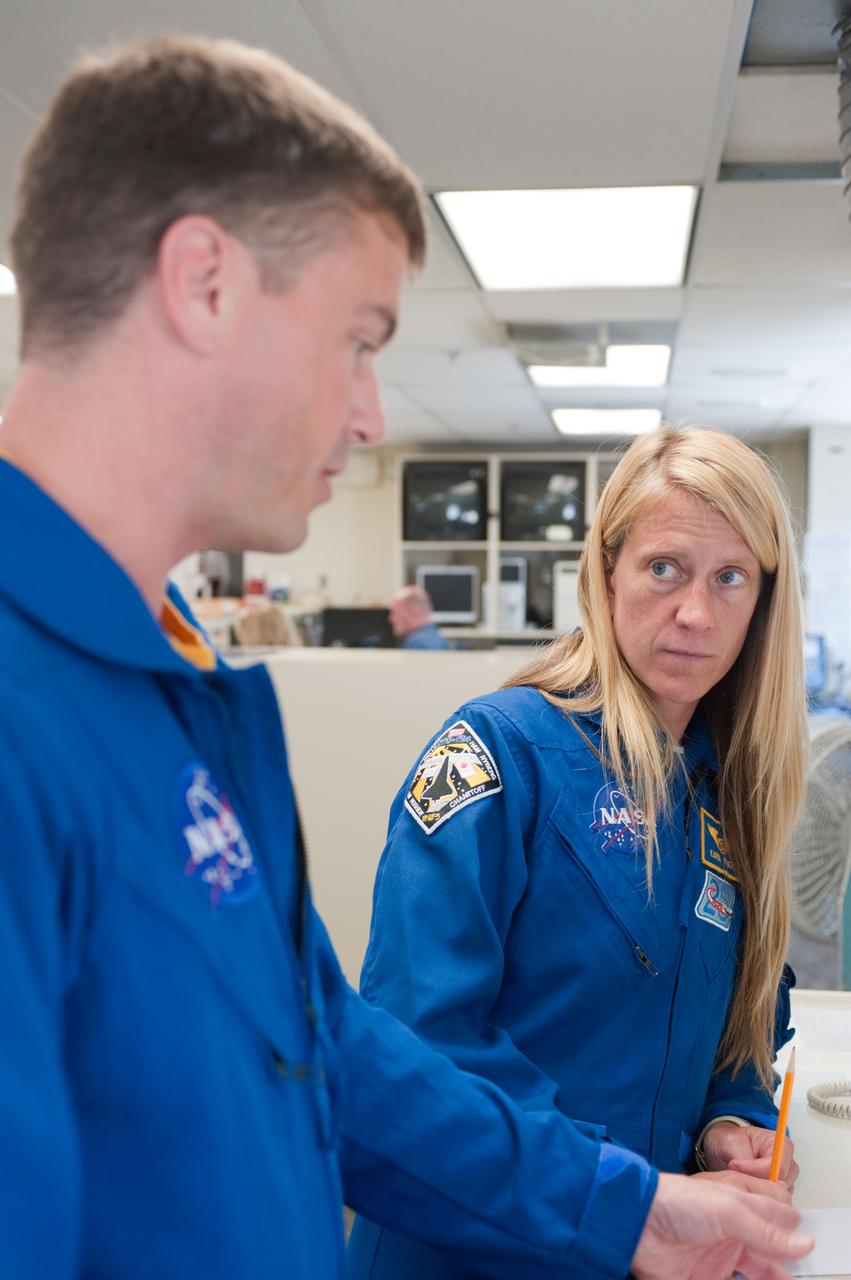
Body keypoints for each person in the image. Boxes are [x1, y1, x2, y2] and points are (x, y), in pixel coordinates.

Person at [0, 35, 810, 1280]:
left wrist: (630, 1211)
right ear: (203, 284)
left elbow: (333, 1056)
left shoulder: (178, 691)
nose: (373, 412)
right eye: (360, 337)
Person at [348, 426, 809, 1279]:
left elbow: (737, 1017)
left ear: (762, 603)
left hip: (642, 1248)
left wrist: (728, 1123)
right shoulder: (497, 756)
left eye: (729, 578)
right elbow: (418, 1047)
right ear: (605, 574)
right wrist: (624, 1201)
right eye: (663, 567)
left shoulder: (726, 791)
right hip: (473, 1252)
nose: (695, 613)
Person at [389, 583, 449, 649]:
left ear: (414, 611)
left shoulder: (417, 644)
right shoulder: (435, 637)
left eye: (395, 613)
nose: (391, 619)